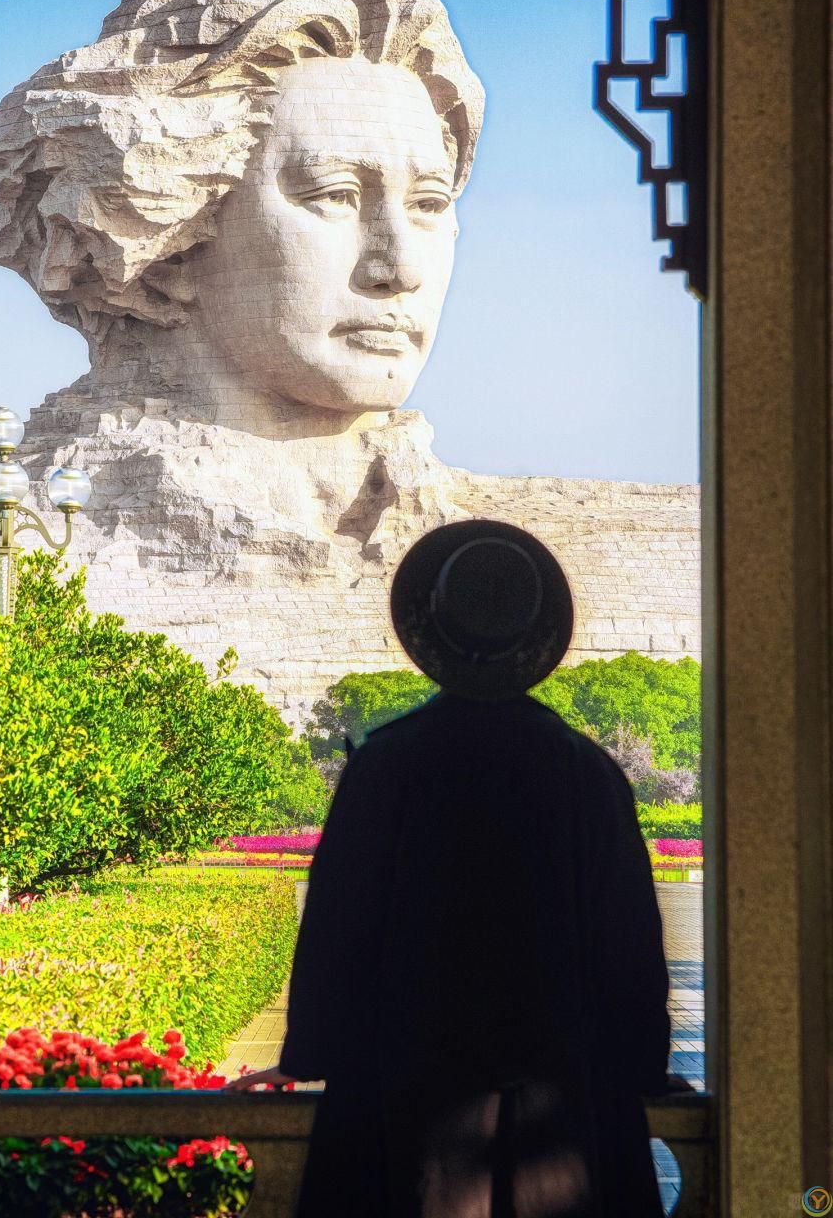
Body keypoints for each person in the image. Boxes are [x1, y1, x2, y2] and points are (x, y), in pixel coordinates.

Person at [227, 520, 686, 1217]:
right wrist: (644, 1068)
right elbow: (629, 950)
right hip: (562, 1117)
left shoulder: (387, 766)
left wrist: (307, 1054)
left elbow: (338, 935)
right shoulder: (587, 774)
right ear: (533, 638)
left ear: (433, 630)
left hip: (407, 1106)